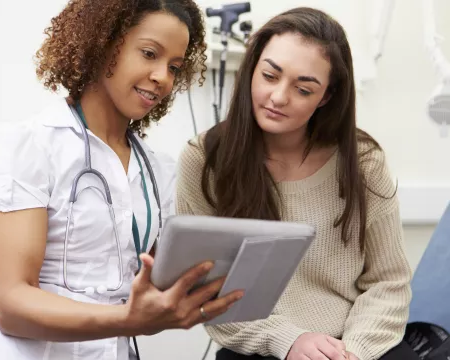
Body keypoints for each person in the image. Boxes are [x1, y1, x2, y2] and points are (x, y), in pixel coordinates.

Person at [0, 1, 244, 359]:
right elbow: (11, 305)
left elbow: (148, 286)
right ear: (102, 45)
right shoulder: (34, 147)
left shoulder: (156, 171)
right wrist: (126, 319)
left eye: (174, 67)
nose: (162, 77)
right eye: (149, 53)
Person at [175, 7, 417, 360]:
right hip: (262, 346)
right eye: (270, 76)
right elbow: (209, 294)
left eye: (303, 89)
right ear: (252, 68)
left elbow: (388, 282)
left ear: (327, 97)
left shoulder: (363, 161)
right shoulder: (204, 160)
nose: (278, 97)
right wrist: (288, 340)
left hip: (356, 347)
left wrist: (352, 352)